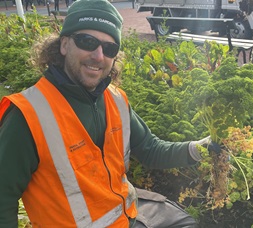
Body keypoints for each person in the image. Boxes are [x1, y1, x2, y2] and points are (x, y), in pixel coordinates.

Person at [0, 0, 219, 227]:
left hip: (127, 218)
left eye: (109, 48)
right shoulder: (26, 115)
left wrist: (200, 148)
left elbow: (151, 150)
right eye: (87, 42)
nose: (98, 55)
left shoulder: (115, 99)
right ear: (64, 45)